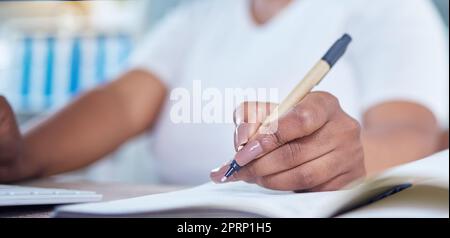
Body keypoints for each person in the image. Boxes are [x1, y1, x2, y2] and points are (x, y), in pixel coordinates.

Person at [0, 0, 448, 191]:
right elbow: (120, 101)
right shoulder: (198, 16)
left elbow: (412, 133)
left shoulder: (389, 9)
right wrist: (20, 153)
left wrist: (349, 158)